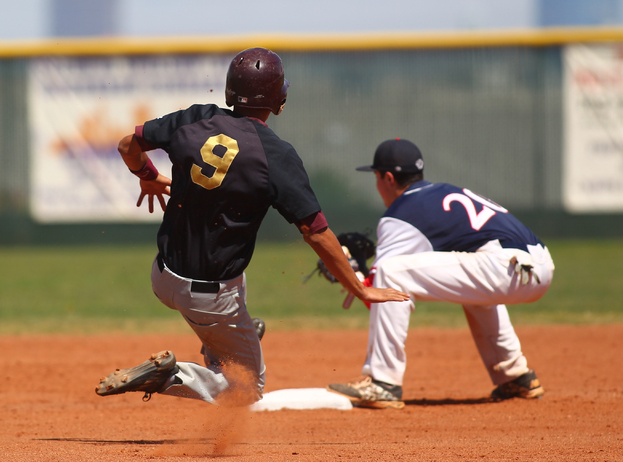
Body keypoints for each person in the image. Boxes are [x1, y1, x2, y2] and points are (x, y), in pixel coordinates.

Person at [94, 48, 409, 406]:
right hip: (210, 296)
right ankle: (173, 375)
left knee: (232, 287)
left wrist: (147, 176)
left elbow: (127, 145)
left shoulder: (195, 118)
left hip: (163, 275)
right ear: (280, 99)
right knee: (246, 389)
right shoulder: (275, 155)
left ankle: (229, 339)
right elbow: (316, 232)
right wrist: (362, 289)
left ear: (230, 91)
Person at [327, 138, 555, 410]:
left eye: (376, 177)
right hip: (541, 265)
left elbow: (380, 292)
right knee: (472, 285)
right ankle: (516, 376)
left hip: (505, 266)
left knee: (390, 272)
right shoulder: (444, 191)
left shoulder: (400, 214)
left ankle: (383, 382)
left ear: (388, 178)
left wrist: (351, 271)